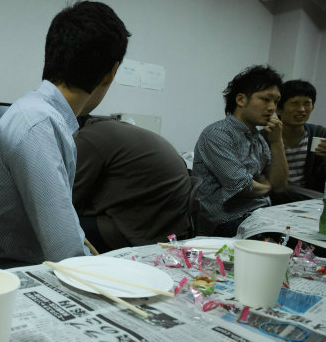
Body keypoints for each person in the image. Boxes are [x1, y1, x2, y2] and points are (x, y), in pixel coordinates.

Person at [0, 1, 131, 267]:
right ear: (111, 72)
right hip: (5, 275)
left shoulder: (39, 115)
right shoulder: (37, 125)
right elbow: (67, 254)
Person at [192, 65, 288, 237]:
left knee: (303, 239)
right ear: (241, 100)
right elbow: (242, 185)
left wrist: (277, 142)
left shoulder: (258, 139)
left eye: (276, 102)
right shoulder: (218, 134)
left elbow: (280, 186)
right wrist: (267, 186)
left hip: (259, 214)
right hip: (226, 220)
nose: (272, 108)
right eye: (266, 99)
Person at [73, 116, 192, 252]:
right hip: (172, 225)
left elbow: (69, 195)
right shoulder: (113, 129)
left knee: (62, 226)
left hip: (144, 233)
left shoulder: (89, 137)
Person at [261, 79, 326, 203]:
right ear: (278, 109)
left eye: (307, 103)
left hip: (309, 201)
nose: (301, 109)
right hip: (276, 200)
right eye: (295, 103)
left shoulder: (320, 134)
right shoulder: (263, 138)